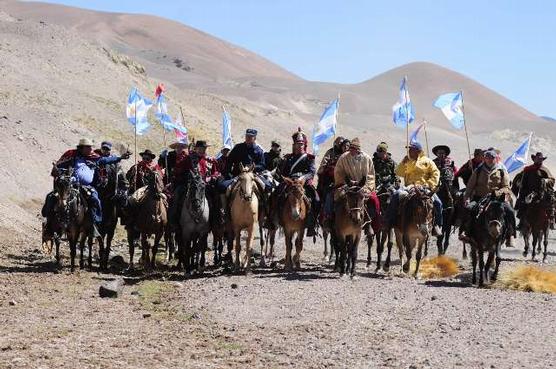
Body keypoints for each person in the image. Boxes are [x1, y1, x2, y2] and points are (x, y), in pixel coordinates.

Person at [42, 138, 130, 235]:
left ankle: (94, 223)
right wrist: (61, 173)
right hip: (69, 185)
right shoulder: (71, 155)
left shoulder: (93, 156)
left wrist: (120, 158)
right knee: (51, 197)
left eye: (91, 147)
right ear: (81, 148)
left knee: (95, 199)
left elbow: (105, 160)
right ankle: (48, 223)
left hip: (86, 186)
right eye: (88, 147)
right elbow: (59, 167)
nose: (90, 149)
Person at [385, 141, 442, 236]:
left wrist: (429, 184)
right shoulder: (407, 160)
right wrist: (403, 162)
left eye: (411, 149)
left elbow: (436, 174)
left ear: (418, 151)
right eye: (409, 149)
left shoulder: (428, 161)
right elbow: (399, 172)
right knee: (395, 195)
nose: (409, 151)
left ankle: (437, 226)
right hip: (409, 187)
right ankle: (390, 221)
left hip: (425, 187)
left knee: (438, 203)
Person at [463, 149, 515, 245]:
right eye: (487, 158)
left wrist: (498, 192)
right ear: (484, 159)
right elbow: (470, 186)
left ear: (496, 159)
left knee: (510, 211)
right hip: (479, 197)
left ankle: (510, 235)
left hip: (497, 199)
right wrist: (467, 198)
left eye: (492, 158)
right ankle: (467, 233)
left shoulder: (502, 171)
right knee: (469, 209)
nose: (489, 160)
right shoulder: (478, 171)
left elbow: (506, 187)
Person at [276, 129, 319, 236]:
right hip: (290, 183)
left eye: (301, 144)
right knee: (276, 195)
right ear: (294, 145)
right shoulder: (288, 158)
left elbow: (312, 171)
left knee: (317, 200)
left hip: (304, 183)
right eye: (297, 144)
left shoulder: (309, 158)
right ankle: (275, 219)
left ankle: (312, 224)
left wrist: (303, 178)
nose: (300, 146)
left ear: (304, 145)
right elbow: (284, 172)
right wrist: (288, 179)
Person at [169, 140, 220, 227]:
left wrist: (212, 177)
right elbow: (179, 169)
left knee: (216, 198)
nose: (202, 150)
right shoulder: (189, 158)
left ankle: (215, 220)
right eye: (199, 149)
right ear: (196, 149)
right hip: (190, 185)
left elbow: (216, 172)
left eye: (203, 148)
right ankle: (174, 220)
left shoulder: (210, 160)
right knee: (177, 195)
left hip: (205, 186)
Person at [334, 137, 379, 231]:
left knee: (374, 200)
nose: (351, 150)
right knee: (334, 198)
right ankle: (330, 220)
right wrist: (346, 183)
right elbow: (339, 173)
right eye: (351, 148)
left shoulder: (367, 159)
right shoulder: (343, 158)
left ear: (358, 149)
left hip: (363, 187)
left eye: (354, 148)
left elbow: (371, 176)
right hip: (346, 186)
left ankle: (370, 223)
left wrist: (366, 188)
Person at [515, 152, 555, 230]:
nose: (539, 160)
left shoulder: (545, 170)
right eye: (538, 159)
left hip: (542, 192)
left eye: (541, 159)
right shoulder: (527, 169)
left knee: (551, 203)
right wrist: (520, 184)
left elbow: (552, 180)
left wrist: (546, 181)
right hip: (529, 192)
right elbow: (523, 181)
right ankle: (521, 223)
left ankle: (551, 221)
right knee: (523, 203)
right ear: (534, 159)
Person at [317, 136, 349, 226]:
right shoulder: (331, 153)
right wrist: (330, 168)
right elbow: (322, 167)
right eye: (339, 143)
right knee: (327, 195)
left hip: (349, 182)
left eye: (342, 143)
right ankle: (326, 216)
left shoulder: (350, 155)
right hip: (332, 181)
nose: (340, 145)